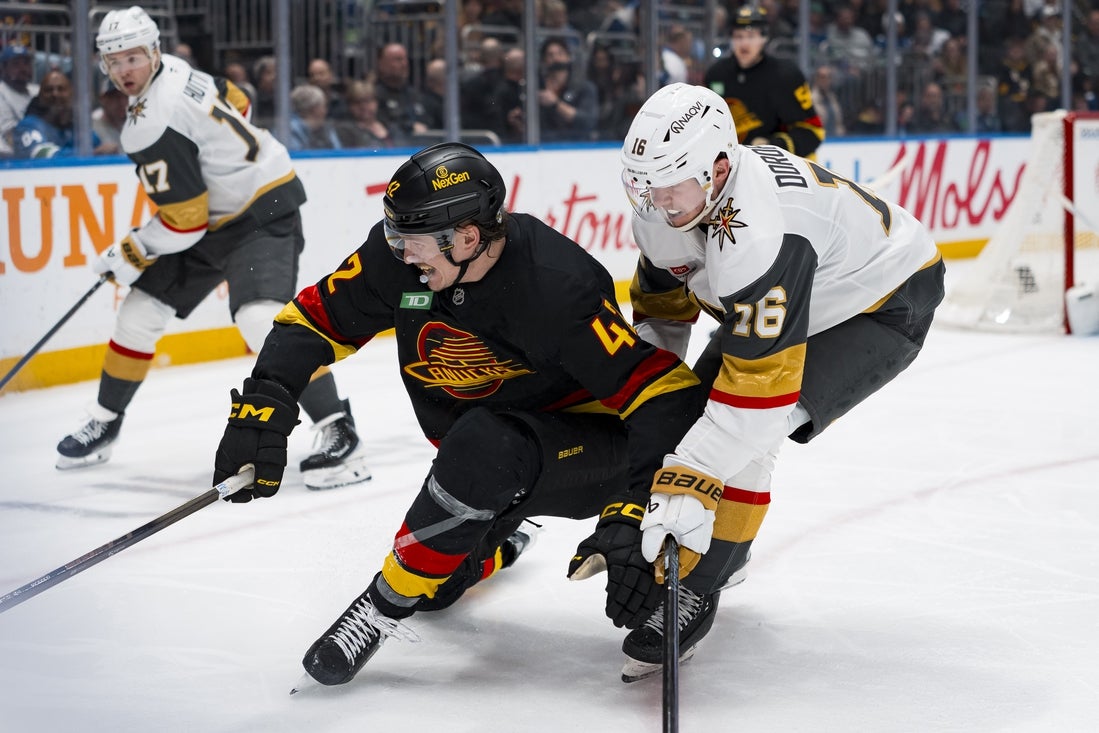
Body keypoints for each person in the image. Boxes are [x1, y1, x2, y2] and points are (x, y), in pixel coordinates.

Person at [210, 141, 703, 688]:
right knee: (437, 587)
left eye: (410, 242)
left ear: (467, 237)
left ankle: (379, 606)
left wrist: (634, 508)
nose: (399, 254)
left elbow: (667, 395)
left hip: (592, 453)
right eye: (393, 236)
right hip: (489, 458)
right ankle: (500, 544)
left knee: (481, 450)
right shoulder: (399, 257)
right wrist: (265, 401)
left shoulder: (555, 283)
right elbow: (310, 321)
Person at [612, 82, 944, 680]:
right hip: (803, 293)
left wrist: (689, 476)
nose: (656, 201)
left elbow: (757, 402)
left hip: (880, 301)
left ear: (718, 169)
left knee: (745, 439)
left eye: (669, 184)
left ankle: (701, 583)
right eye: (644, 184)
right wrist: (651, 403)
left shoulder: (764, 232)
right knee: (699, 423)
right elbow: (663, 311)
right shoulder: (672, 204)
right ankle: (720, 548)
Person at [56, 6, 370, 491]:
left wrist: (132, 250)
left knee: (260, 317)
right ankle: (104, 422)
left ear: (153, 52)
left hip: (262, 209)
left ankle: (340, 430)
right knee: (139, 312)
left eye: (132, 58)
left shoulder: (149, 123)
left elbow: (185, 222)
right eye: (114, 61)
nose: (124, 70)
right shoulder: (178, 69)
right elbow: (239, 101)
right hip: (219, 215)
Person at [704, 5, 824, 158]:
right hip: (735, 163)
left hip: (783, 164)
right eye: (738, 36)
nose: (744, 43)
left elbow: (812, 131)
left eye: (751, 36)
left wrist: (772, 146)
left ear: (764, 38)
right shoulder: (716, 75)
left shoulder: (787, 75)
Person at [12, 70, 101, 158]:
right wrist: (93, 153)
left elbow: (99, 147)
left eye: (61, 89)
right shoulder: (28, 126)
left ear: (71, 95)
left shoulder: (76, 128)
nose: (55, 94)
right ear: (40, 97)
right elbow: (40, 154)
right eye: (48, 90)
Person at [0, 43, 38, 157]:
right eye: (16, 64)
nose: (23, 69)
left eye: (26, 63)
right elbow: (10, 136)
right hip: (9, 157)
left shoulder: (36, 90)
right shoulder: (1, 92)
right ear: (3, 69)